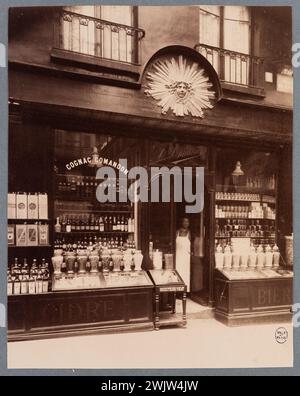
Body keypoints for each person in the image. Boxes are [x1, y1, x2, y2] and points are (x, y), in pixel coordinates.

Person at [176, 217, 191, 292]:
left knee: (185, 274)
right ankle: (178, 291)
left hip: (186, 258)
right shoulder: (177, 232)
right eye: (184, 221)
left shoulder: (189, 233)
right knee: (178, 272)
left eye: (187, 222)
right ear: (181, 222)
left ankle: (185, 291)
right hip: (178, 257)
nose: (186, 223)